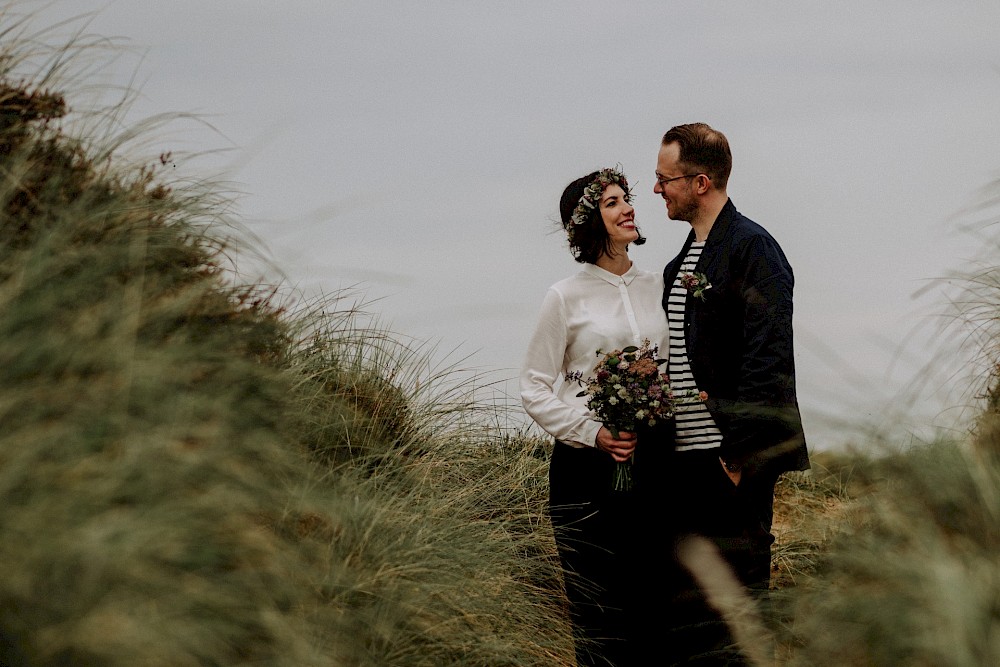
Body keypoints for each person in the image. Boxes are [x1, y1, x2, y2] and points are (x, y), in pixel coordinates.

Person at [653, 122, 810, 664]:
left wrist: (736, 455)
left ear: (700, 182)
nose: (657, 190)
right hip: (685, 464)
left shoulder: (753, 249)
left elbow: (768, 359)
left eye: (664, 178)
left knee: (740, 612)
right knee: (694, 615)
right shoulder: (680, 264)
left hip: (732, 459)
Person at [520, 167, 669, 666]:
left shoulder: (661, 286)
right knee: (597, 612)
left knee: (654, 607)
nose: (628, 207)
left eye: (626, 198)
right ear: (588, 222)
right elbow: (534, 387)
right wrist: (593, 432)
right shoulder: (565, 296)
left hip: (655, 465)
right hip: (584, 471)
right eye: (611, 202)